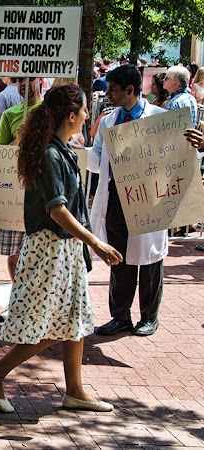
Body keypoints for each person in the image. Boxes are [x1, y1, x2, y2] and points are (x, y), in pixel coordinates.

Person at [0, 84, 122, 413]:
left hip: (62, 249)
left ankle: (75, 391)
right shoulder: (51, 153)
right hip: (51, 250)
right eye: (85, 111)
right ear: (71, 116)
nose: (88, 116)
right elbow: (57, 209)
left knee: (74, 321)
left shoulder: (60, 149)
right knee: (48, 326)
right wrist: (96, 242)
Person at [89, 64, 168, 337]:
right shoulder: (109, 120)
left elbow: (173, 158)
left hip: (148, 200)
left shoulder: (159, 118)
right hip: (116, 199)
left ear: (130, 90)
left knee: (149, 259)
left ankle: (149, 317)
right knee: (118, 258)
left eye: (112, 90)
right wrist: (80, 152)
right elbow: (98, 159)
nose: (108, 94)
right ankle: (120, 316)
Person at [0, 78, 44, 282]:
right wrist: (18, 140)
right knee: (14, 251)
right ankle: (17, 298)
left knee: (41, 250)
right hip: (16, 193)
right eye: (20, 80)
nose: (24, 84)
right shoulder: (10, 114)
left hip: (42, 193)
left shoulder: (51, 110)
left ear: (40, 81)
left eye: (30, 79)